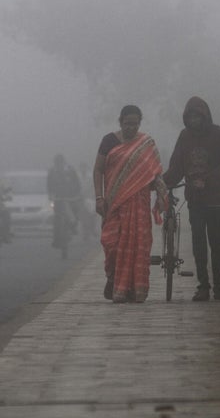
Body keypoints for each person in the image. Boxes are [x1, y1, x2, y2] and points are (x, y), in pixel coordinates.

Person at [93, 105, 168, 303]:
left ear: (139, 124)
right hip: (114, 203)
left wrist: (161, 196)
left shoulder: (146, 143)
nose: (131, 128)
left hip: (139, 204)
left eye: (135, 124)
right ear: (120, 122)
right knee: (111, 243)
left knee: (139, 246)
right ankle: (113, 279)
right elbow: (98, 170)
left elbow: (155, 172)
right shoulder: (109, 141)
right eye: (127, 124)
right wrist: (98, 197)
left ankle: (135, 290)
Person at [163, 96, 220, 301]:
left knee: (218, 242)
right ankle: (203, 284)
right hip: (195, 200)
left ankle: (219, 284)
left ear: (205, 116)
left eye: (197, 116)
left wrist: (208, 181)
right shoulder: (184, 137)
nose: (194, 120)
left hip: (216, 199)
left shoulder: (218, 134)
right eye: (190, 117)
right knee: (199, 243)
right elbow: (176, 167)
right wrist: (162, 182)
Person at [47, 154, 82, 247]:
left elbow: (77, 184)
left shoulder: (70, 171)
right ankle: (56, 239)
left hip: (71, 198)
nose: (59, 165)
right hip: (58, 199)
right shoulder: (52, 172)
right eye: (57, 163)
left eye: (60, 162)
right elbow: (49, 185)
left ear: (63, 162)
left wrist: (77, 195)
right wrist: (51, 196)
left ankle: (73, 226)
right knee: (57, 219)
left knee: (75, 212)